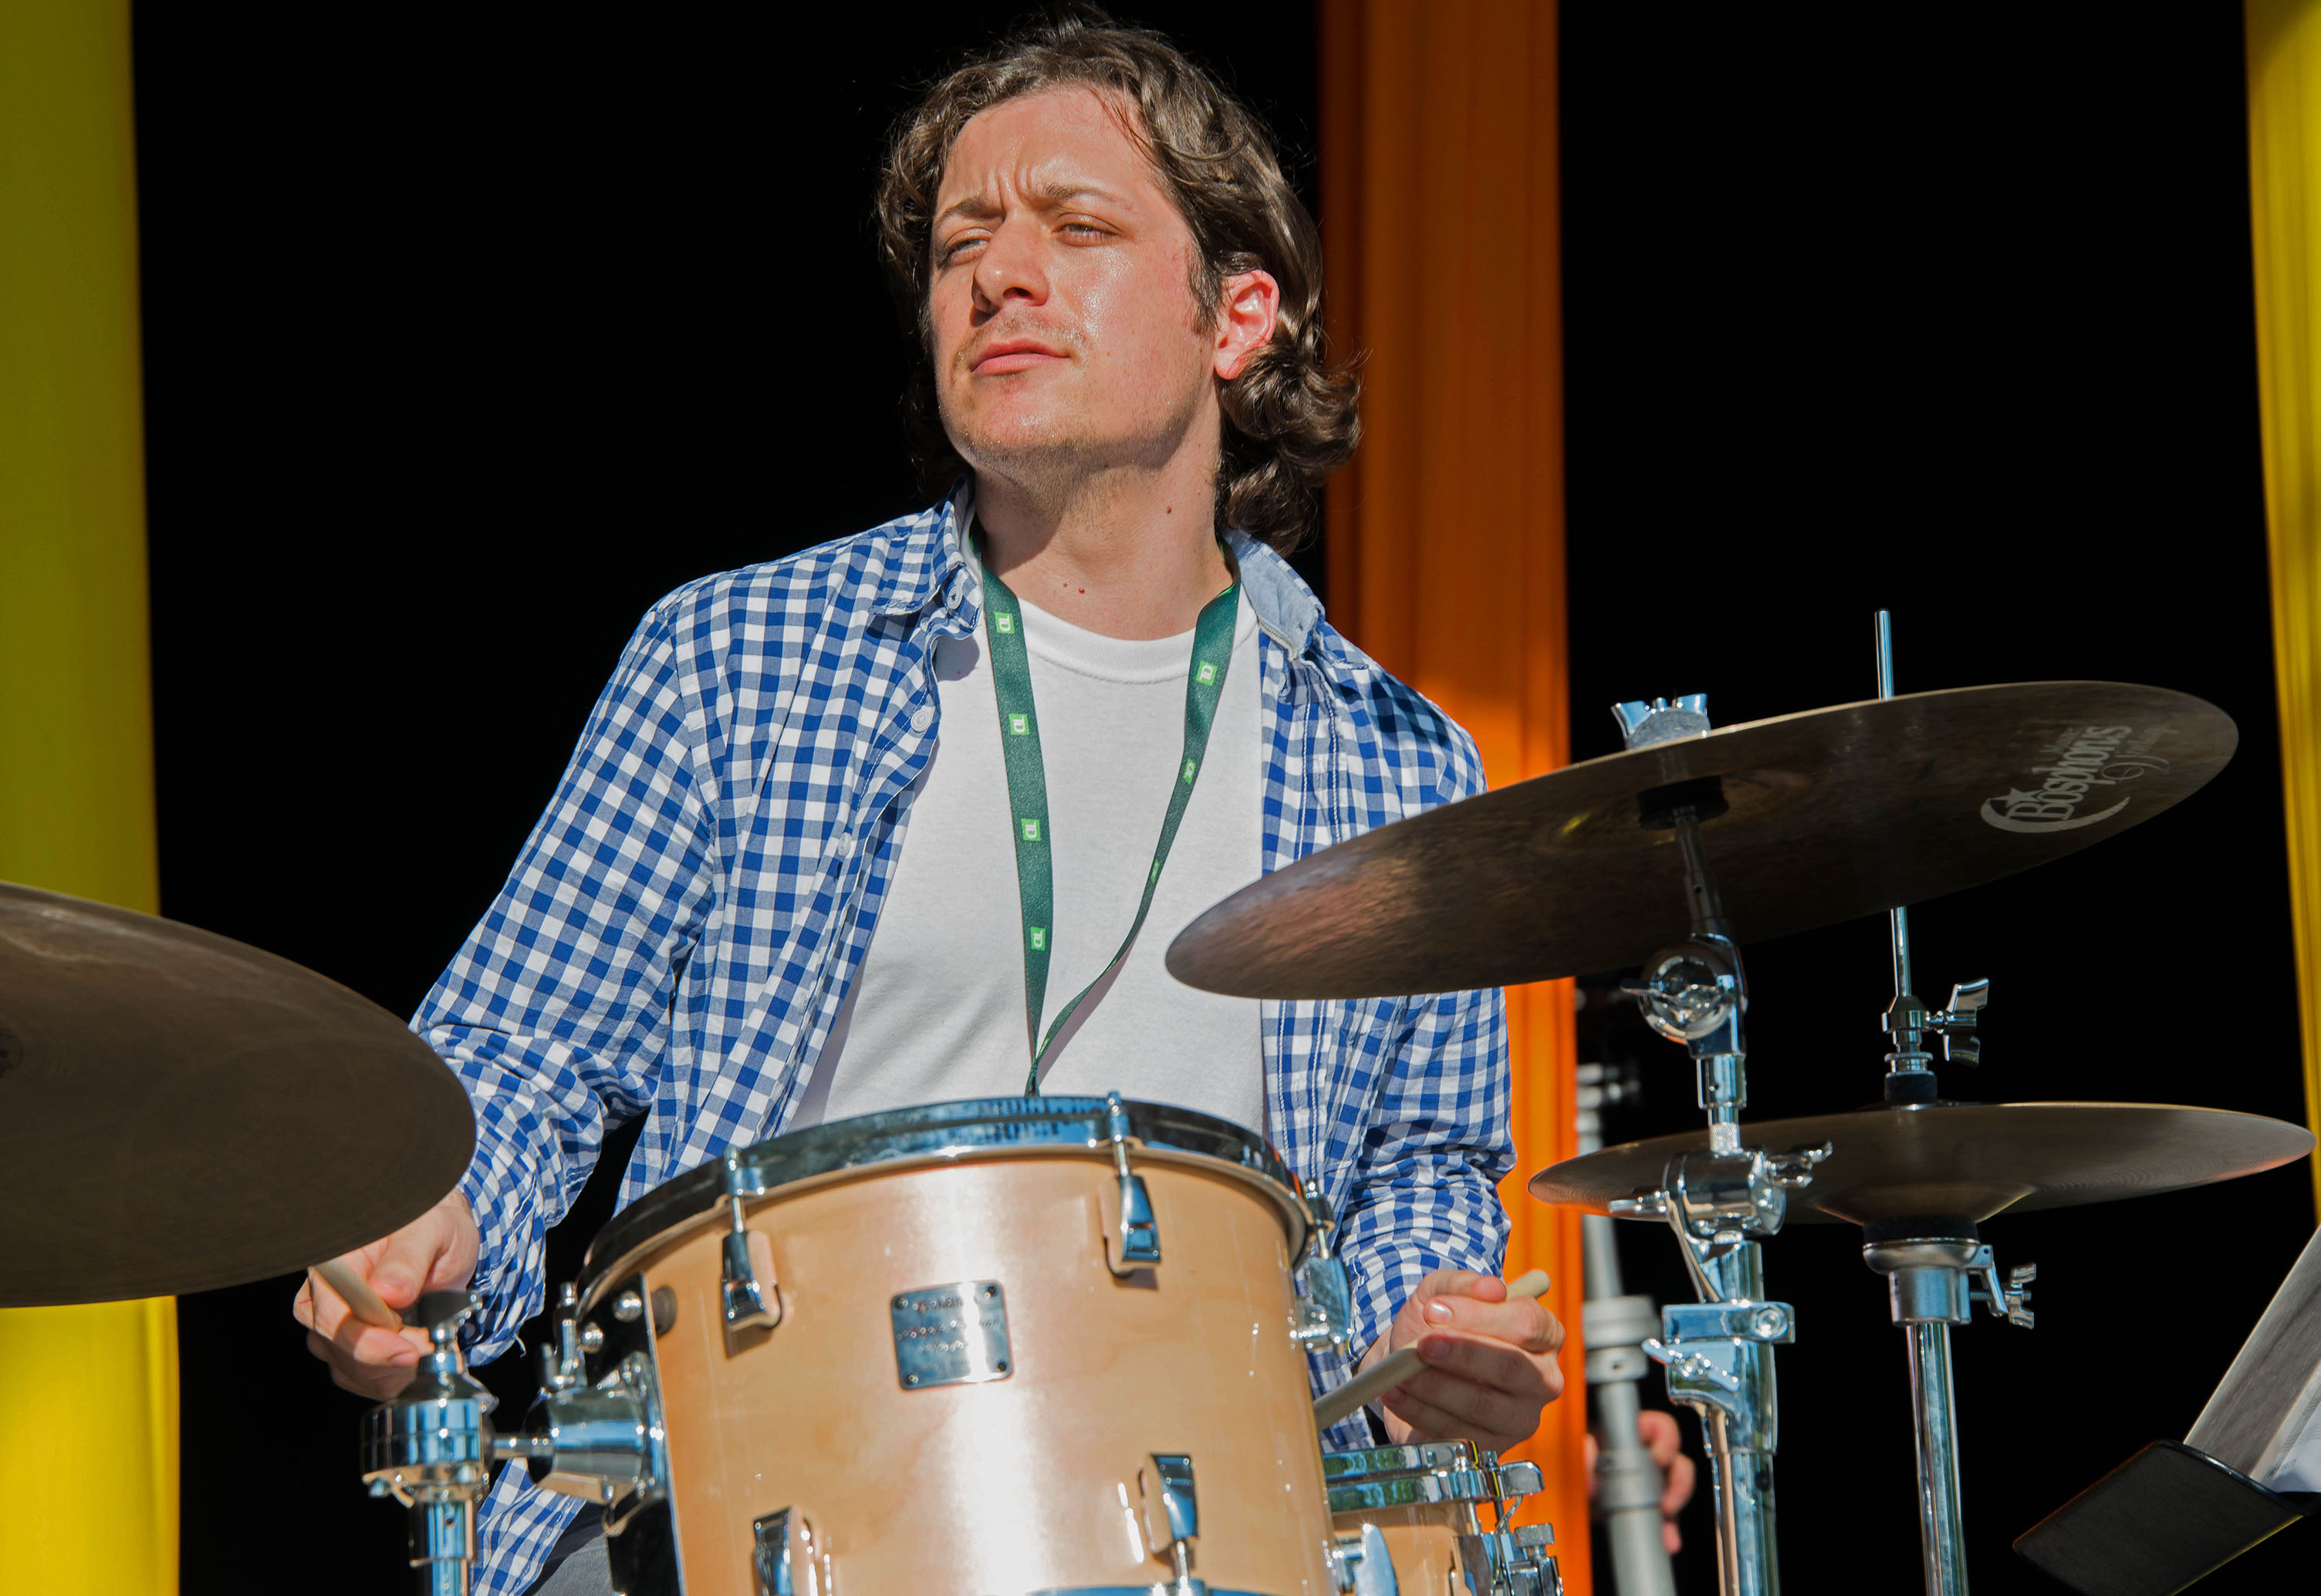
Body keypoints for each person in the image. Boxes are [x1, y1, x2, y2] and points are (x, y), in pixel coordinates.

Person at [296, 15, 1691, 1592]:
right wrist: (424, 1224)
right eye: (963, 242)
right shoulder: (740, 657)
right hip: (758, 1505)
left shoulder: (1397, 761)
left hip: (1211, 1523)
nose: (998, 274)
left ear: (1239, 318)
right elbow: (518, 1057)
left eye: (1078, 228)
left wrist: (1430, 1334)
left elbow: (1419, 1178)